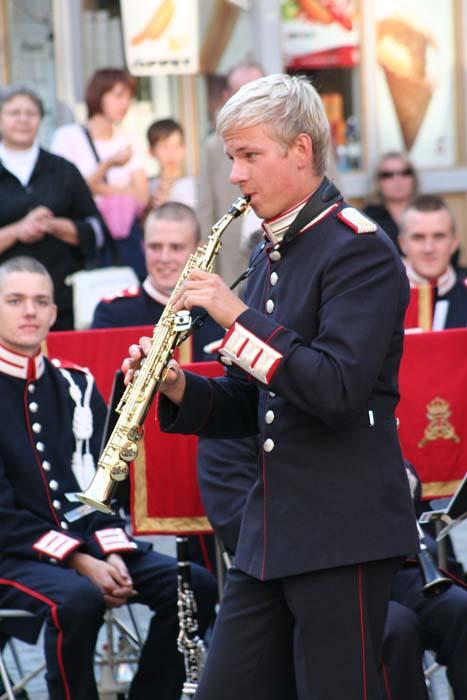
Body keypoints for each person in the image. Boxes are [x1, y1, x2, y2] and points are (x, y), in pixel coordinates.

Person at [124, 73, 419, 699]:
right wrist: (175, 385)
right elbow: (253, 402)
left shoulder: (359, 250)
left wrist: (236, 317)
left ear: (301, 150)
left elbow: (335, 390)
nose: (235, 174)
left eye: (249, 155)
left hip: (342, 531)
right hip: (270, 535)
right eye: (232, 156)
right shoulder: (268, 251)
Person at [0, 256, 217, 700]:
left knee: (195, 586)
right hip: (13, 555)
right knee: (79, 599)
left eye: (40, 301)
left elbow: (105, 486)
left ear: (54, 313)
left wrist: (109, 551)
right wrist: (80, 560)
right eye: (15, 301)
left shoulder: (76, 385)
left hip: (88, 545)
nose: (30, 311)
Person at [0, 86, 107, 330]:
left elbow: (97, 231)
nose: (23, 120)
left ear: (40, 119)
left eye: (31, 113)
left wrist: (52, 225)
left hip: (61, 302)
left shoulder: (64, 170)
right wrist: (18, 230)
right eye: (14, 112)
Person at [92, 202, 223, 361]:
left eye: (176, 247)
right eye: (155, 247)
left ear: (199, 251)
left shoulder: (216, 314)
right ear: (143, 247)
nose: (164, 258)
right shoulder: (113, 313)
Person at [51, 68, 149, 279]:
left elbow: (142, 197)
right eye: (118, 95)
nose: (125, 103)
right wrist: (107, 166)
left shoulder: (128, 140)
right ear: (98, 94)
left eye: (128, 97)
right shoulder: (68, 137)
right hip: (85, 237)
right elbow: (64, 192)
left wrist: (97, 187)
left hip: (124, 236)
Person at [197, 61, 265, 289]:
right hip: (232, 258)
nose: (250, 102)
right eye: (242, 94)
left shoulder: (294, 137)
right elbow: (206, 209)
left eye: (257, 93)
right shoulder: (213, 146)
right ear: (227, 97)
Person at [400, 194, 466, 329]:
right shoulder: (385, 299)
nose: (428, 248)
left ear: (454, 242)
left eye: (439, 236)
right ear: (402, 244)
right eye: (418, 237)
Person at [363, 151, 418, 253]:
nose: (397, 180)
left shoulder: (428, 212)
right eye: (388, 175)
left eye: (405, 172)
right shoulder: (367, 219)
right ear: (378, 182)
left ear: (413, 178)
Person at [147, 118, 196, 210]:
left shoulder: (196, 185)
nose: (171, 153)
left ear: (184, 149)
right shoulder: (147, 188)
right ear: (151, 151)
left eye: (176, 146)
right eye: (164, 146)